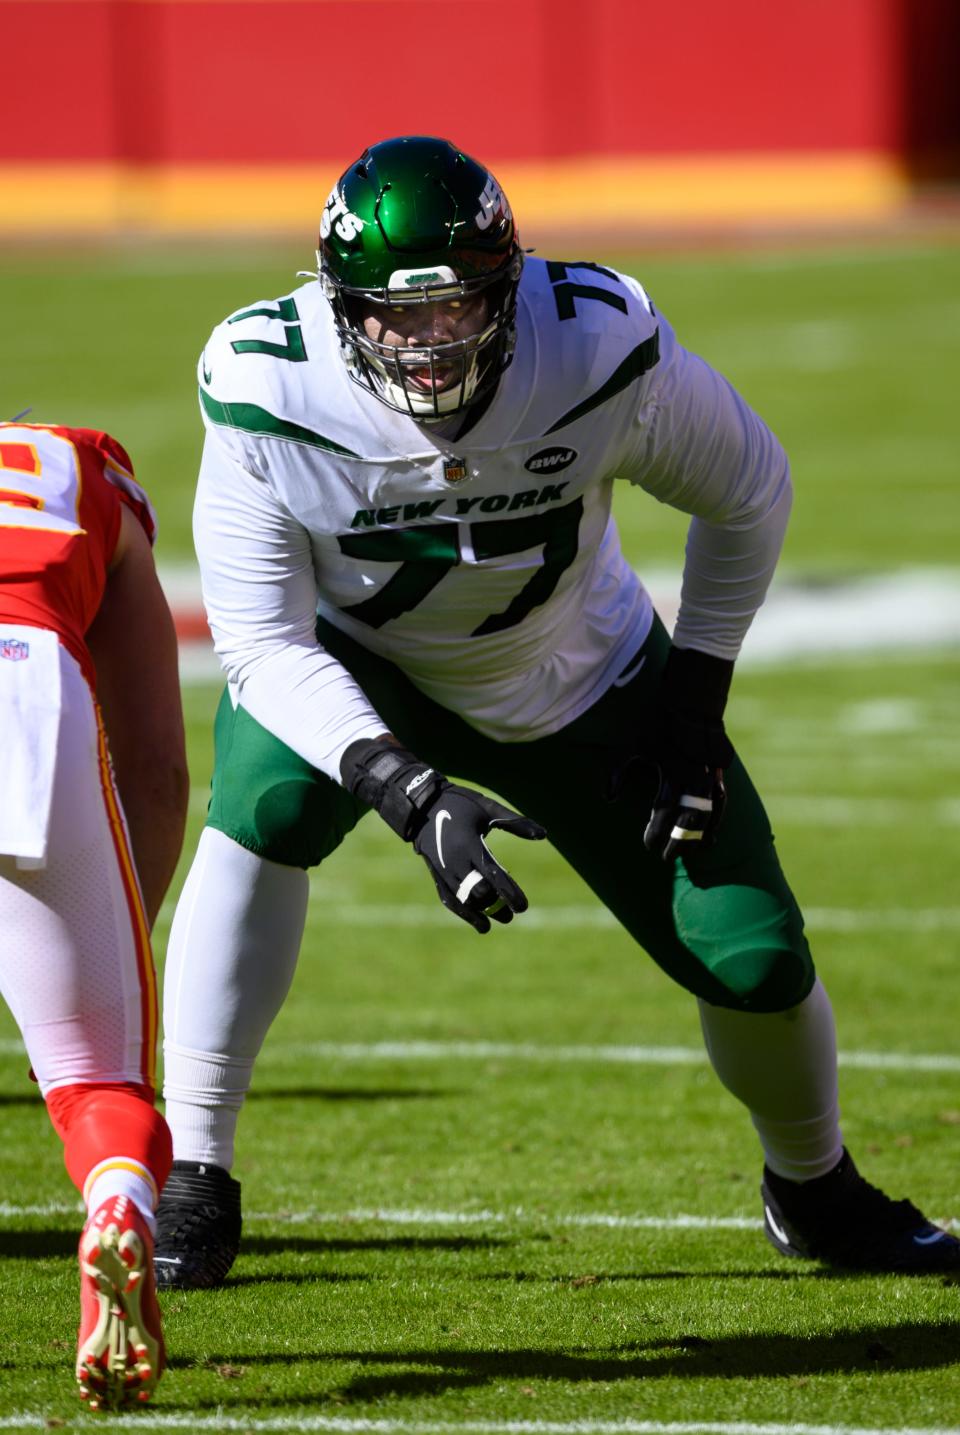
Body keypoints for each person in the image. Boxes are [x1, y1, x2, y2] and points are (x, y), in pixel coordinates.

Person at [156, 134, 959, 1288]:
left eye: (460, 309)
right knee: (267, 803)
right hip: (364, 665)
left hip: (579, 666)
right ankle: (197, 1170)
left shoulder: (591, 343)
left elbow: (752, 491)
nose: (430, 346)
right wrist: (403, 786)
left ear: (511, 285)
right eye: (396, 315)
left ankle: (815, 1187)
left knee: (754, 957)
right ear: (336, 307)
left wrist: (693, 700)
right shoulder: (267, 386)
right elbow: (265, 644)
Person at [0, 422, 189, 1408]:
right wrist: (122, 941)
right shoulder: (83, 475)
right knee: (97, 1079)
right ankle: (117, 1200)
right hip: (17, 676)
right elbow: (156, 770)